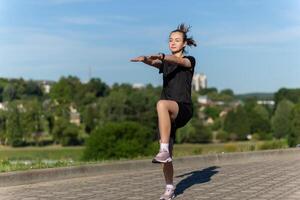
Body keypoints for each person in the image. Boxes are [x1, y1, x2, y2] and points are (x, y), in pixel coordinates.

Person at [130, 23, 197, 200]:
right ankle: (169, 189)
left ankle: (164, 148)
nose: (173, 43)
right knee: (166, 157)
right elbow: (156, 63)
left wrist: (162, 56)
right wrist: (145, 59)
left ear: (184, 44)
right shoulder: (165, 64)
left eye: (177, 40)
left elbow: (178, 61)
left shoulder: (189, 61)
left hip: (183, 109)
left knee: (161, 104)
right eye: (170, 40)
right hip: (167, 117)